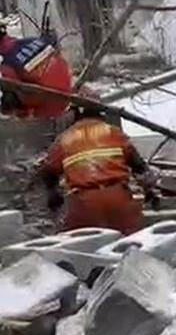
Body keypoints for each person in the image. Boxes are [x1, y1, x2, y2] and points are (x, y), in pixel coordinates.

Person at [41, 93, 154, 234]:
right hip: (118, 198)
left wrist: (53, 194)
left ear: (75, 112)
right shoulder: (113, 132)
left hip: (84, 203)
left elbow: (48, 171)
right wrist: (150, 192)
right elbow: (140, 167)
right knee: (130, 246)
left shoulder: (64, 139)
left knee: (83, 248)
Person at [1, 32, 73, 119]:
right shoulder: (33, 40)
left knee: (9, 92)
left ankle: (23, 119)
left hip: (49, 108)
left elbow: (14, 91)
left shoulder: (7, 64)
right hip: (67, 90)